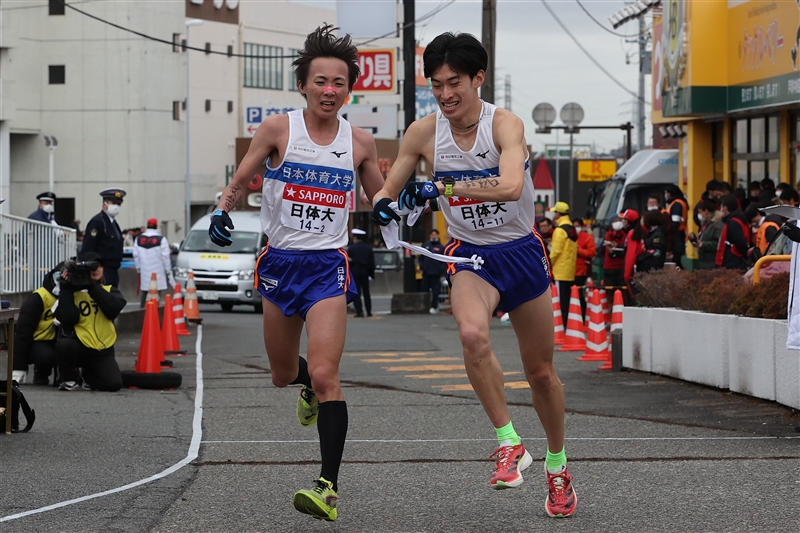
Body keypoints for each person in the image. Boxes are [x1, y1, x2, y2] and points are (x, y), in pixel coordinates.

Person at [371, 31, 576, 518]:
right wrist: (382, 207)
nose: (445, 95)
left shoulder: (504, 125)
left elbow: (508, 185)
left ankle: (557, 465)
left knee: (541, 373)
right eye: (436, 85)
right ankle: (508, 442)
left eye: (454, 83)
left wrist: (443, 185)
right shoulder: (422, 134)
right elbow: (387, 188)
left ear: (478, 78)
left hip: (522, 252)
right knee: (470, 333)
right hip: (471, 257)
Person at [206, 25, 385, 522]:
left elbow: (380, 197)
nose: (330, 90)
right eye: (321, 81)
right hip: (280, 263)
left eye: (340, 83)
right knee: (284, 374)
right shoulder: (278, 130)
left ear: (350, 89)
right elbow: (239, 182)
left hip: (328, 265)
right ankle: (303, 384)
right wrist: (222, 210)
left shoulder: (360, 141)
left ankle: (327, 486)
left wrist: (393, 205)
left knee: (328, 373)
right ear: (304, 85)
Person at [55, 251, 126, 391]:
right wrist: (66, 289)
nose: (96, 270)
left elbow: (113, 310)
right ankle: (69, 378)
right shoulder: (72, 293)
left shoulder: (109, 290)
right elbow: (69, 318)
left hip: (102, 349)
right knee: (64, 345)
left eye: (99, 266)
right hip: (78, 346)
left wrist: (92, 287)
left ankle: (89, 376)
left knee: (114, 384)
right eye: (92, 267)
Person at [11, 264, 62, 386]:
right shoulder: (39, 297)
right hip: (39, 340)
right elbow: (23, 331)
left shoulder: (80, 295)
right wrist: (19, 367)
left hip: (66, 339)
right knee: (47, 356)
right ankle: (41, 373)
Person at [81, 188, 126, 288]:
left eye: (119, 204)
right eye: (113, 203)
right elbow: (88, 247)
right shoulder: (97, 222)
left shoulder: (113, 224)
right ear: (104, 204)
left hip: (112, 270)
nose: (116, 206)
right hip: (101, 270)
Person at [134, 218, 176, 308]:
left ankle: (142, 312)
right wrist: (168, 270)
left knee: (145, 293)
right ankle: (154, 314)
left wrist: (138, 268)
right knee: (156, 293)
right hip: (158, 271)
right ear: (156, 226)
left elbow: (136, 255)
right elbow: (165, 257)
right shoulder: (161, 239)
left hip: (145, 271)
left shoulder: (139, 239)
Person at [549, 202, 578, 327]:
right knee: (567, 300)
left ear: (558, 213)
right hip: (569, 269)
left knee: (560, 301)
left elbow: (556, 251)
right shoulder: (571, 228)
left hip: (560, 270)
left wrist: (548, 262)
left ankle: (562, 326)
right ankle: (566, 325)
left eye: (555, 212)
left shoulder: (560, 230)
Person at [715, 194, 750, 270]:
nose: (720, 210)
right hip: (733, 261)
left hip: (733, 263)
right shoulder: (734, 220)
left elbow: (740, 242)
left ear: (725, 208)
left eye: (721, 207)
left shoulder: (733, 223)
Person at [688, 201, 723, 270]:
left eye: (700, 212)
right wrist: (694, 239)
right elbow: (703, 240)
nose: (699, 215)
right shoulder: (706, 224)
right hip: (704, 261)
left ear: (706, 211)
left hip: (712, 262)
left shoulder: (717, 224)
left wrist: (704, 244)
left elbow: (718, 244)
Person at [347, 228, 374, 317]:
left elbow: (348, 261)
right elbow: (371, 262)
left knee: (357, 292)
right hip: (365, 270)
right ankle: (369, 311)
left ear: (355, 237)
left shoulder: (351, 248)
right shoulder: (368, 248)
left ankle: (359, 311)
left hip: (355, 270)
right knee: (366, 292)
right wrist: (371, 274)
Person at [420, 229, 448, 314]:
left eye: (435, 234)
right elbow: (421, 258)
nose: (433, 236)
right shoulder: (426, 245)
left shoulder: (441, 247)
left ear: (438, 236)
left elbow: (444, 260)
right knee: (424, 290)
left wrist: (441, 269)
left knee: (436, 292)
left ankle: (434, 306)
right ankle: (424, 306)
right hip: (426, 273)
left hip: (436, 273)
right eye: (432, 234)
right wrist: (422, 266)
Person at [573, 218, 595, 319]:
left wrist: (579, 250)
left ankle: (582, 315)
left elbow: (591, 252)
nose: (575, 228)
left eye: (577, 226)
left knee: (579, 294)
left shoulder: (587, 237)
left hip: (582, 270)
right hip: (570, 270)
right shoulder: (570, 236)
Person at [620, 208, 643, 301]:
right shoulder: (639, 232)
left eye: (624, 219)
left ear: (629, 222)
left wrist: (626, 275)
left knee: (633, 299)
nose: (622, 222)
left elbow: (631, 255)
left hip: (633, 272)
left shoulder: (632, 234)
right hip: (638, 270)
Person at [664, 184, 688, 268]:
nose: (665, 195)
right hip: (678, 236)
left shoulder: (677, 204)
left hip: (677, 237)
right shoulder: (678, 203)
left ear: (670, 193)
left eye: (666, 193)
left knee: (676, 263)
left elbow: (675, 222)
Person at [602, 216, 627, 290]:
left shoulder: (625, 235)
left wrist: (618, 246)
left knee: (621, 290)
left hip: (621, 267)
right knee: (609, 289)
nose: (618, 222)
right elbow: (606, 251)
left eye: (619, 220)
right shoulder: (608, 235)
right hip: (609, 267)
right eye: (616, 221)